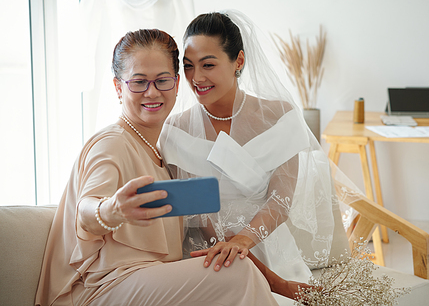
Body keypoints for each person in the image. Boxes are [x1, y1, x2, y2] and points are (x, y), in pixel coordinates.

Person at [35, 28, 278, 306]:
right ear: (118, 87)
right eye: (138, 82)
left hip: (150, 282)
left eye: (162, 80)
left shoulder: (160, 153)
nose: (151, 92)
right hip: (100, 290)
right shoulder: (111, 143)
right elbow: (87, 210)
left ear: (176, 84)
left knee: (232, 264)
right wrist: (112, 210)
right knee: (237, 273)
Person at [159, 10, 359, 305]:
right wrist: (270, 279)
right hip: (206, 253)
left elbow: (281, 199)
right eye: (188, 66)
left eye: (208, 65)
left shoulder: (280, 117)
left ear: (238, 61)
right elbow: (198, 214)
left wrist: (243, 241)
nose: (196, 78)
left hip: (265, 243)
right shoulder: (175, 130)